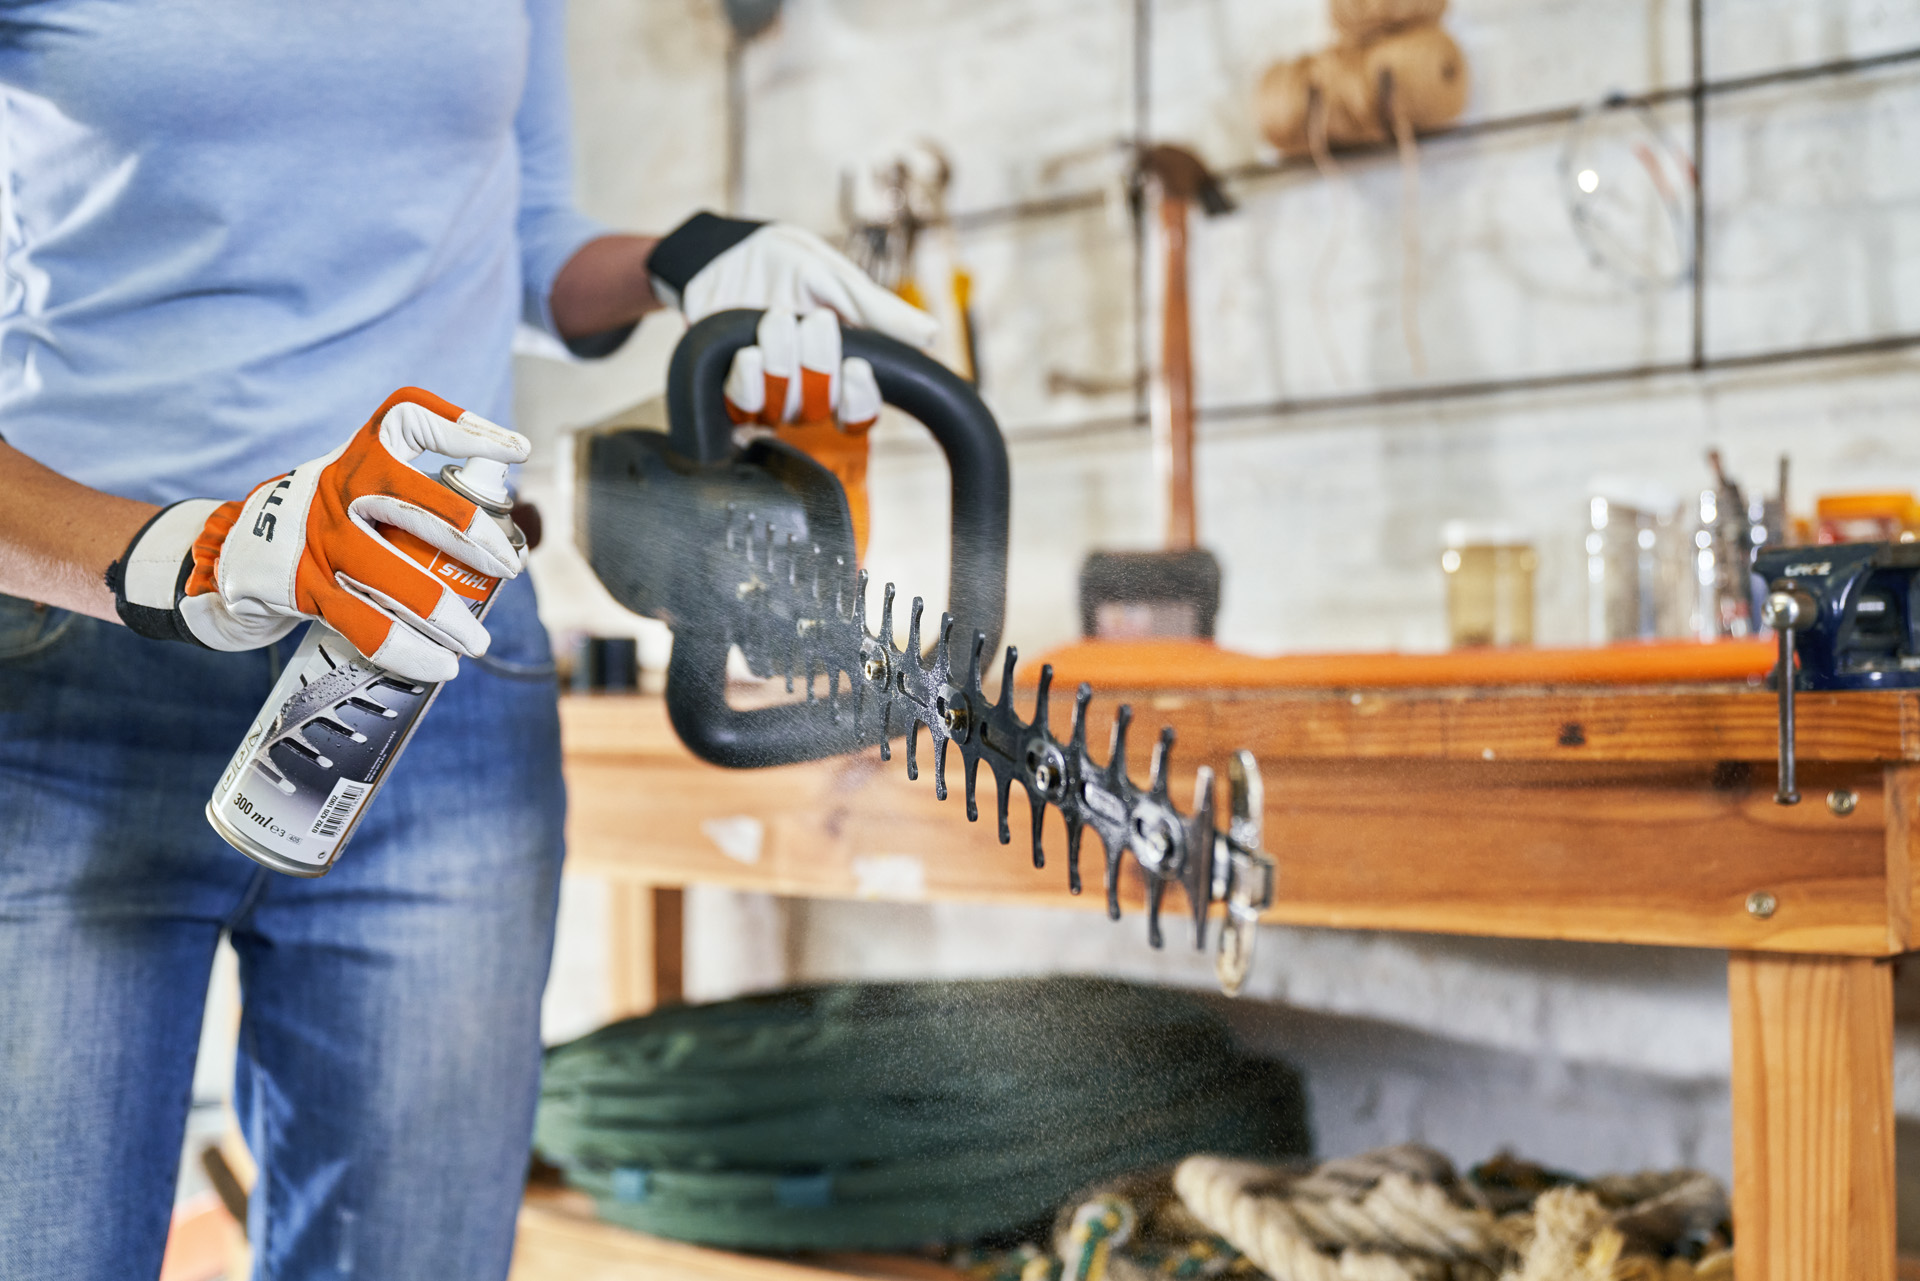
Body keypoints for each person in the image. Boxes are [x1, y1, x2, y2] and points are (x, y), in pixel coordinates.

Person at [0, 4, 931, 1278]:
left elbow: (530, 232)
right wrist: (182, 554)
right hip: (76, 671)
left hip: (435, 680)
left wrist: (690, 257)